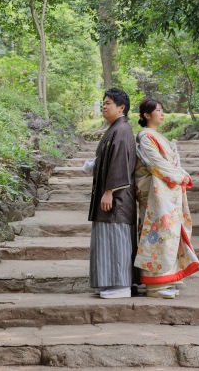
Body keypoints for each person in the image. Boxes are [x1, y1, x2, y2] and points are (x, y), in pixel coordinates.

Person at [134, 98, 199, 299]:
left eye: (162, 110)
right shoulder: (145, 136)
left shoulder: (156, 136)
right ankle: (154, 286)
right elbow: (155, 163)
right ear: (146, 115)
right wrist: (180, 177)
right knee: (157, 234)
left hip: (166, 191)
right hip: (156, 193)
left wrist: (180, 175)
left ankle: (168, 278)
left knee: (169, 234)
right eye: (158, 111)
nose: (162, 114)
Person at [86, 88, 137, 299]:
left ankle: (121, 284)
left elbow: (120, 165)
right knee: (107, 239)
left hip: (118, 198)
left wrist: (109, 192)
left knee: (116, 239)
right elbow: (108, 159)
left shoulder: (122, 130)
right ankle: (109, 282)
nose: (104, 106)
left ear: (121, 107)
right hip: (110, 195)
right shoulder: (115, 129)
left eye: (108, 103)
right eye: (103, 102)